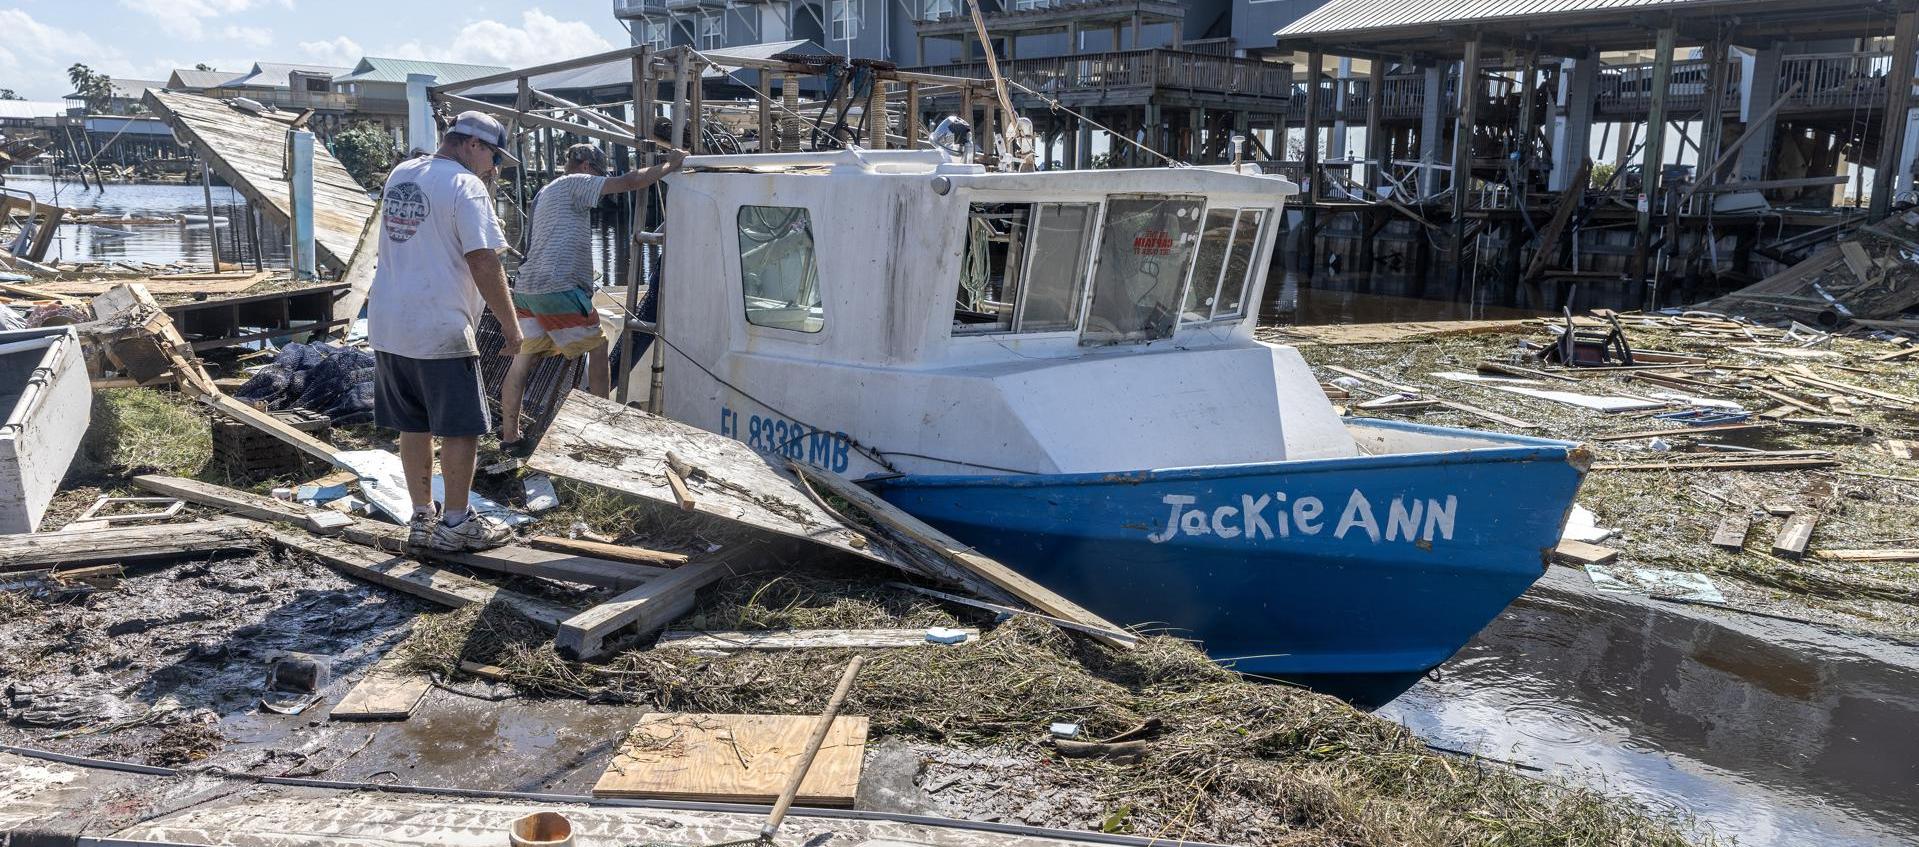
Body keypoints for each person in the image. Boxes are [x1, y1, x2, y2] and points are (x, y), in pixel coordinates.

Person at [367, 111, 523, 554]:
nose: (493, 168)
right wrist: (511, 327)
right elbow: (484, 260)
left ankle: (421, 519)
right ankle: (456, 523)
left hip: (389, 321)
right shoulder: (465, 186)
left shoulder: (403, 172)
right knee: (460, 428)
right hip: (439, 323)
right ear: (473, 144)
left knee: (412, 422)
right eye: (492, 155)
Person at [497, 142, 685, 455]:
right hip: (558, 287)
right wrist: (670, 166)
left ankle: (510, 439)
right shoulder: (577, 182)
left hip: (528, 287)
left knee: (522, 363)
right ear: (587, 167)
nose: (599, 182)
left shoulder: (546, 192)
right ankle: (600, 431)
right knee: (598, 349)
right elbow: (628, 182)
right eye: (598, 174)